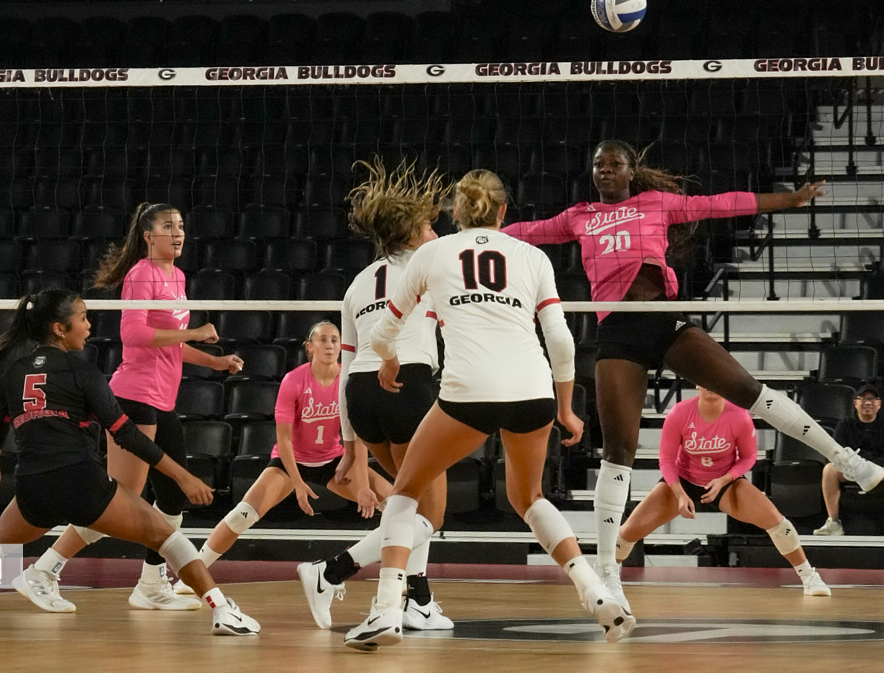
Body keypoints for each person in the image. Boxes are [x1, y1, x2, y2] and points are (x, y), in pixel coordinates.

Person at [502, 139, 884, 612]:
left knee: (751, 391)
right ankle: (608, 576)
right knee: (617, 451)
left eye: (614, 164)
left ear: (631, 170)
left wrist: (790, 200)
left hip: (663, 319)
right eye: (598, 164)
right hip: (617, 331)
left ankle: (847, 461)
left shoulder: (656, 203)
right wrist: (474, 235)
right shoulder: (579, 216)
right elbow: (527, 232)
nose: (605, 170)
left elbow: (721, 204)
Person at [344, 169, 635, 652]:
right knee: (530, 499)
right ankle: (596, 593)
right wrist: (566, 407)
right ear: (503, 210)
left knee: (406, 492)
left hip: (469, 392)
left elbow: (381, 333)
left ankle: (386, 610)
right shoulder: (532, 255)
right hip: (532, 389)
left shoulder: (433, 253)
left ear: (455, 212)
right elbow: (561, 340)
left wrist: (389, 360)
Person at [0, 289, 259, 635]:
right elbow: (127, 434)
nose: (89, 325)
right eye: (83, 318)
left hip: (32, 487)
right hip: (82, 483)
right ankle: (223, 611)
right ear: (59, 328)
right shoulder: (82, 372)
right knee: (166, 536)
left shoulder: (14, 372)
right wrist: (182, 476)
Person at [17, 202, 245, 614]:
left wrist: (214, 362)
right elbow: (135, 334)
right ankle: (44, 568)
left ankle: (150, 585)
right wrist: (194, 332)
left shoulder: (177, 276)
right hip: (134, 395)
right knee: (119, 499)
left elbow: (169, 343)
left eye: (181, 225)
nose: (177, 233)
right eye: (168, 226)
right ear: (148, 236)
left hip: (162, 399)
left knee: (172, 497)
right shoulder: (142, 274)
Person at [296, 158, 453, 631]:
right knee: (428, 513)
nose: (434, 232)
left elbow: (346, 367)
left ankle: (418, 600)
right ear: (411, 233)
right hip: (406, 383)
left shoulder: (357, 283)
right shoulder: (430, 267)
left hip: (361, 395)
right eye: (427, 225)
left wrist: (349, 445)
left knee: (408, 499)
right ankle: (330, 572)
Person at [172, 321, 392, 591]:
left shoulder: (348, 382)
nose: (329, 345)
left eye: (335, 340)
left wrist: (364, 485)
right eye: (323, 340)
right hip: (291, 462)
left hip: (333, 461)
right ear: (310, 347)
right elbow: (284, 439)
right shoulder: (294, 380)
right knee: (242, 515)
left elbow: (357, 438)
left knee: (397, 505)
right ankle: (190, 577)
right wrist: (298, 482)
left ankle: (396, 578)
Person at [615, 386, 831, 596]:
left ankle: (809, 577)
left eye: (714, 380)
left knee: (777, 521)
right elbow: (666, 459)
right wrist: (679, 493)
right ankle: (607, 574)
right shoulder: (680, 412)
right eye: (704, 380)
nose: (710, 385)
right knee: (629, 530)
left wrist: (726, 479)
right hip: (683, 480)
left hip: (724, 480)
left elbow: (748, 457)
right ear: (697, 384)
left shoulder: (739, 416)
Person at [815, 384, 884, 536]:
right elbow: (837, 452)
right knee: (829, 470)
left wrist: (873, 466)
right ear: (855, 403)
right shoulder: (845, 424)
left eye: (872, 399)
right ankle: (834, 523)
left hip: (880, 469)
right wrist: (858, 465)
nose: (868, 402)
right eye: (863, 399)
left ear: (879, 404)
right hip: (852, 468)